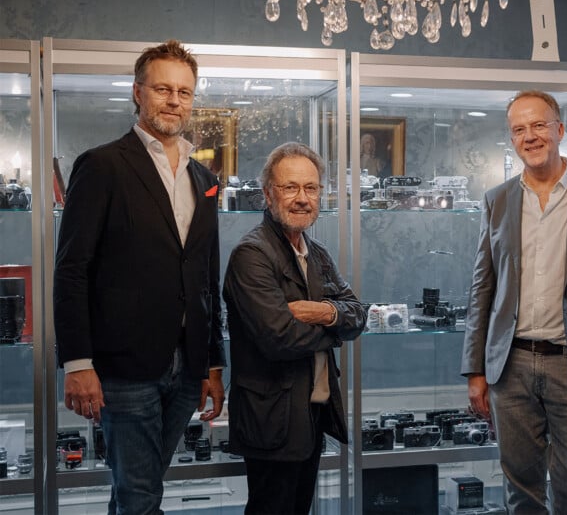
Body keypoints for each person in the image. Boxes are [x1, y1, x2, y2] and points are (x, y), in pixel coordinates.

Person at [53, 40, 226, 514]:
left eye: (185, 92)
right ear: (137, 92)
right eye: (163, 89)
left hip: (187, 367)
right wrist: (77, 363)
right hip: (122, 368)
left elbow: (206, 275)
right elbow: (70, 271)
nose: (175, 100)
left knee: (136, 490)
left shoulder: (203, 177)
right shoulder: (103, 164)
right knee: (142, 494)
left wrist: (213, 362)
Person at [461, 89, 567, 514]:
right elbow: (483, 286)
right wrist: (475, 369)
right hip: (509, 368)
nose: (530, 136)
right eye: (519, 129)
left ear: (559, 130)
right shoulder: (496, 199)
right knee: (521, 492)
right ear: (512, 139)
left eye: (538, 125)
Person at [223, 142, 366, 515]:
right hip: (272, 417)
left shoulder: (315, 252)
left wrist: (319, 312)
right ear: (269, 194)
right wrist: (336, 323)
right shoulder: (251, 255)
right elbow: (278, 338)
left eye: (311, 188)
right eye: (290, 188)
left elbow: (359, 315)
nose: (302, 198)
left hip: (310, 413)